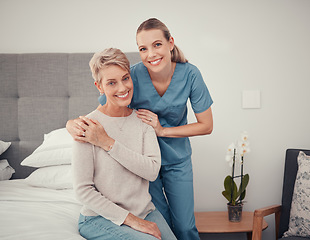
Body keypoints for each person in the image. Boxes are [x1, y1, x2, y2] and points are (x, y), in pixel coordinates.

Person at [67, 18, 213, 240]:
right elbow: (106, 108)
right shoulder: (132, 74)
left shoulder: (190, 74)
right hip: (141, 164)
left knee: (184, 226)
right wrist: (73, 125)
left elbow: (207, 125)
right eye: (143, 48)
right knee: (159, 219)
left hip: (175, 157)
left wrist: (162, 131)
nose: (151, 54)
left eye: (157, 45)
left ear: (170, 43)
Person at [72, 47, 177, 240]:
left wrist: (108, 143)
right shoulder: (88, 127)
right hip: (99, 218)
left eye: (125, 78)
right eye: (111, 83)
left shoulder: (143, 121)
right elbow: (82, 190)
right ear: (99, 86)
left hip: (145, 212)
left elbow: (152, 171)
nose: (122, 88)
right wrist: (131, 220)